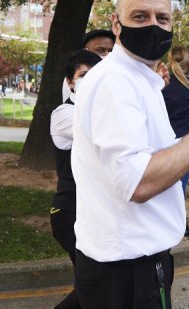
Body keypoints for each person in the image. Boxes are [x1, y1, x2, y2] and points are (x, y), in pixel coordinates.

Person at [71, 0, 189, 309]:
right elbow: (139, 181)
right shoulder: (115, 82)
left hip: (126, 265)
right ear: (117, 24)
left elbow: (155, 156)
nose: (153, 25)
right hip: (129, 271)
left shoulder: (139, 79)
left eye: (162, 18)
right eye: (140, 16)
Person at [50, 49, 102, 309]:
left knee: (93, 284)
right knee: (95, 285)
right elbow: (97, 128)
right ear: (70, 82)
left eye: (95, 74)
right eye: (83, 75)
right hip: (69, 211)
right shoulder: (63, 115)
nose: (90, 79)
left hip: (91, 213)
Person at [161, 46, 189, 238]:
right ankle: (179, 226)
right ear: (188, 64)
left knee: (163, 184)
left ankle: (166, 223)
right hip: (186, 143)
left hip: (162, 140)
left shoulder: (162, 84)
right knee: (180, 186)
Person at [62, 30, 115, 102]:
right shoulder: (75, 78)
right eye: (100, 50)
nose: (107, 55)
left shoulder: (115, 73)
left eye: (110, 51)